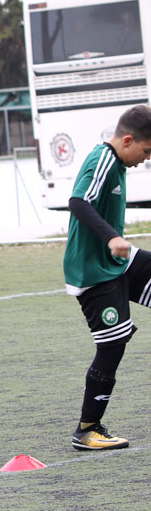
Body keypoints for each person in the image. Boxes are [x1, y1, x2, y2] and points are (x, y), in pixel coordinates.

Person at [63, 104, 151, 451]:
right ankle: (87, 429)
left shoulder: (118, 162)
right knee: (113, 344)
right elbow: (78, 202)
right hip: (93, 272)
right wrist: (112, 237)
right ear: (127, 140)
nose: (146, 159)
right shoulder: (102, 160)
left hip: (117, 263)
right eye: (145, 151)